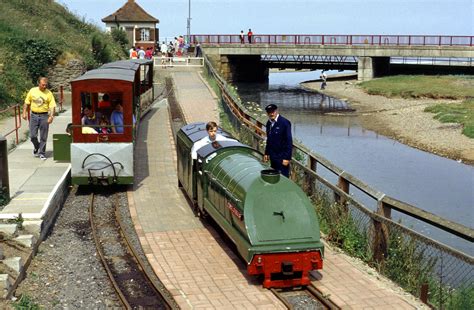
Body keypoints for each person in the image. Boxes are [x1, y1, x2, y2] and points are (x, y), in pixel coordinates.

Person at [22, 77, 56, 160]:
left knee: (43, 136)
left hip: (44, 116)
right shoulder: (32, 90)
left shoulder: (49, 93)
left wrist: (51, 116)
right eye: (43, 85)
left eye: (45, 85)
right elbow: (26, 103)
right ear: (39, 84)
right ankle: (37, 147)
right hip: (34, 115)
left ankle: (42, 153)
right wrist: (24, 112)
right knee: (32, 136)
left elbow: (52, 106)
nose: (44, 86)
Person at [263, 104, 293, 177]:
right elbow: (269, 140)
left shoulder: (284, 123)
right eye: (269, 112)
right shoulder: (269, 123)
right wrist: (266, 153)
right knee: (274, 177)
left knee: (283, 179)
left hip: (282, 158)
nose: (271, 113)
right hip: (273, 157)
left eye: (273, 111)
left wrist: (287, 158)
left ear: (276, 111)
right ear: (267, 113)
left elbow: (289, 141)